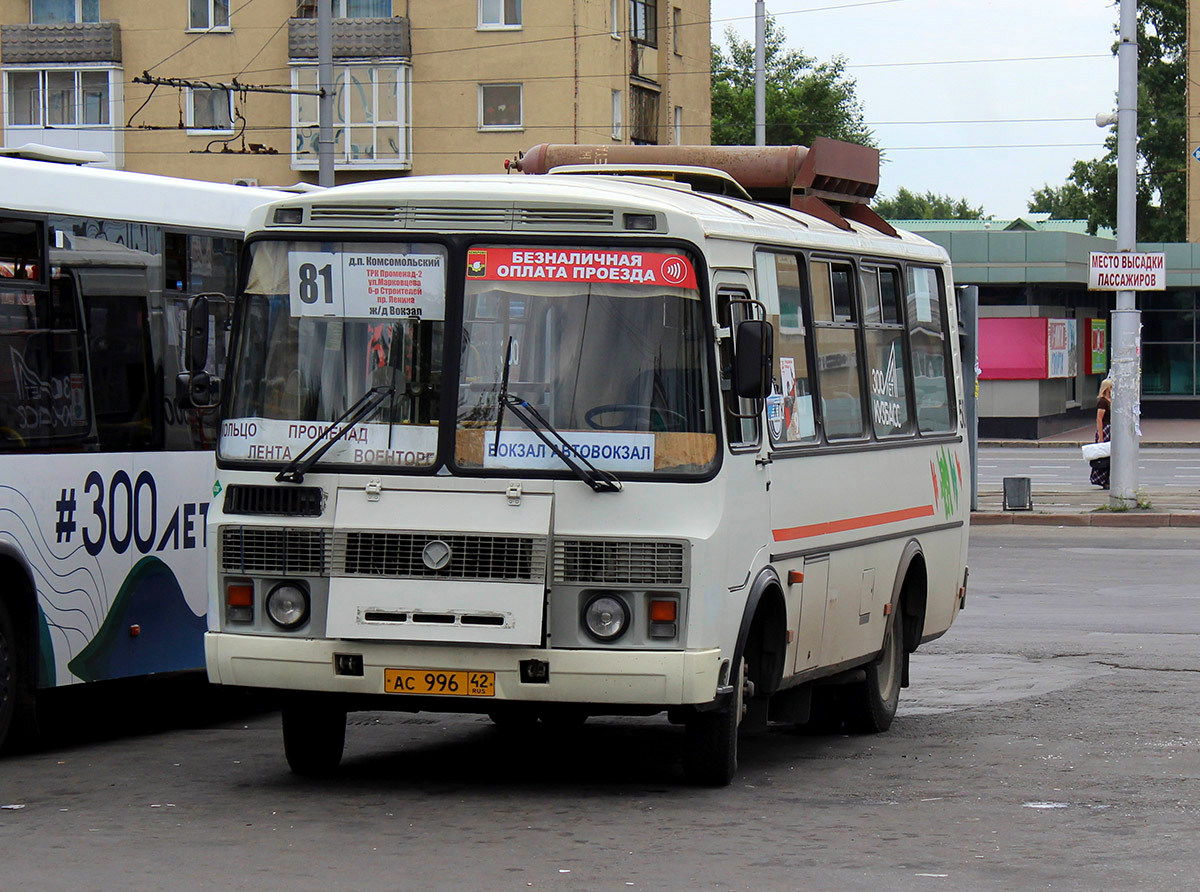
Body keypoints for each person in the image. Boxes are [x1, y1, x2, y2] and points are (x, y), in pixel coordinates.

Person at [1090, 378, 1113, 489]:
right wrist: (1101, 436)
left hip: (1111, 429)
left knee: (1110, 456)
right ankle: (1102, 479)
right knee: (1104, 457)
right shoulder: (1102, 401)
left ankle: (1107, 478)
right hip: (1105, 429)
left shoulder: (1111, 400)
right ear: (1107, 388)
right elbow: (1099, 419)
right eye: (1111, 387)